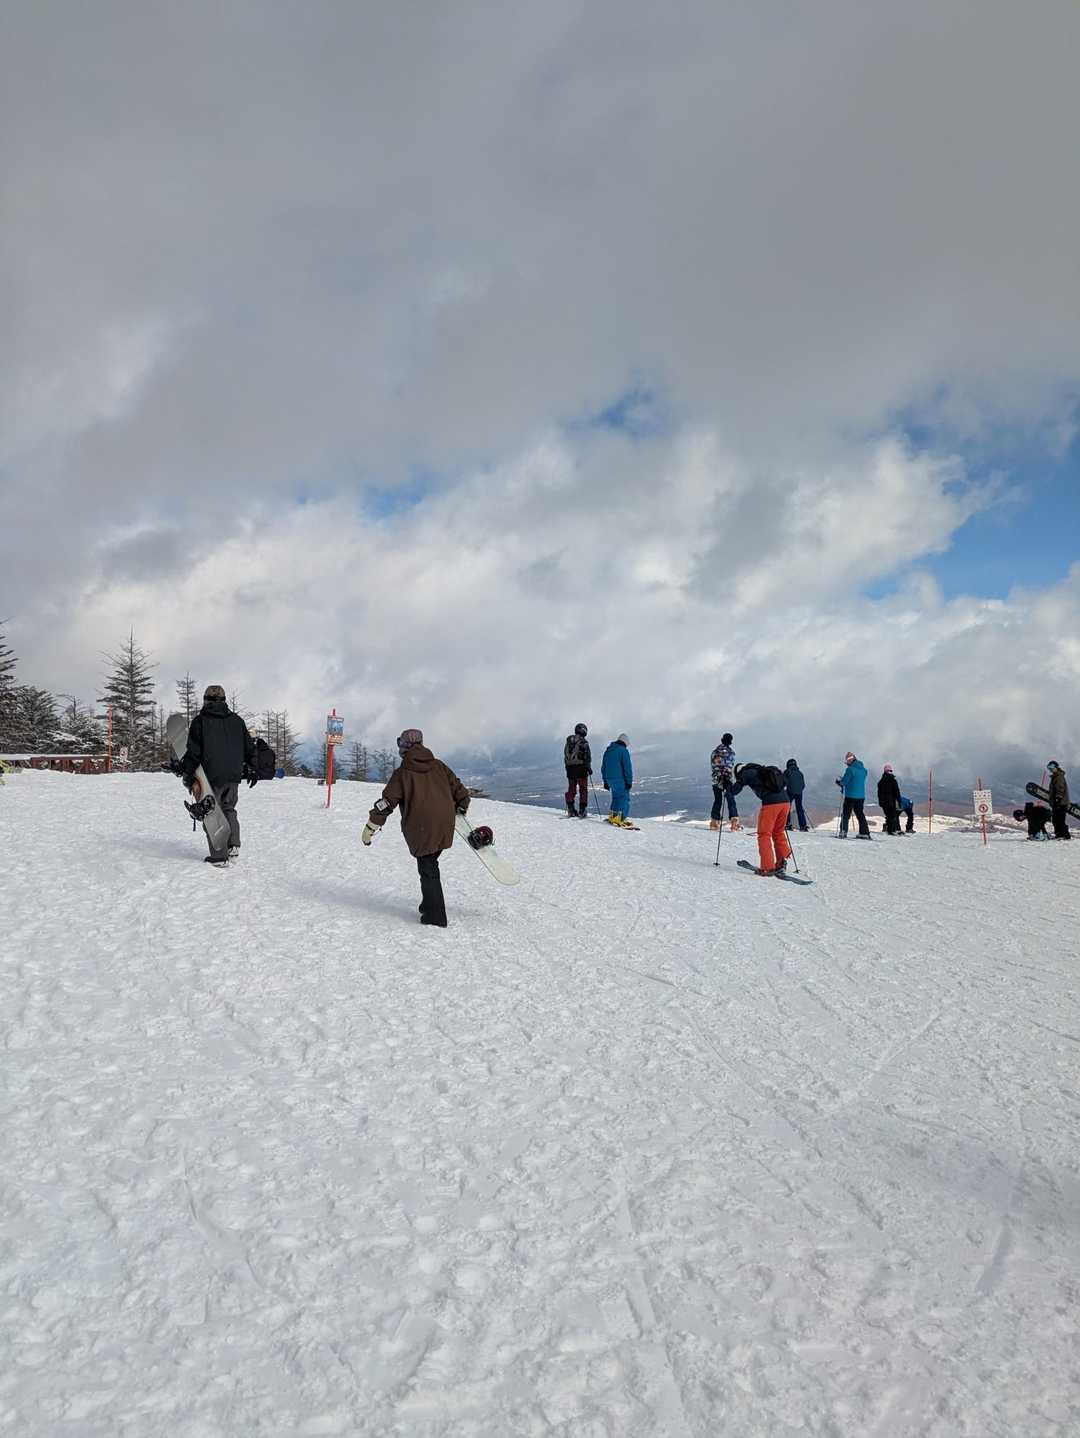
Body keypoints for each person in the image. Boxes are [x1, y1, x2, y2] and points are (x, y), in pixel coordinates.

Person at [361, 728, 470, 927]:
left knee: (428, 869)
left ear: (404, 747)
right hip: (445, 824)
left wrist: (371, 826)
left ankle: (435, 917)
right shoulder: (439, 766)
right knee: (429, 863)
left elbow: (387, 802)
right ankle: (428, 905)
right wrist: (462, 806)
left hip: (421, 828)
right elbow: (459, 789)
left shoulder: (403, 773)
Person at [180, 684, 257, 864]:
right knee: (229, 808)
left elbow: (193, 752)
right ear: (224, 700)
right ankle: (233, 845)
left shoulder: (200, 721)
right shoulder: (237, 721)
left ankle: (218, 856)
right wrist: (253, 768)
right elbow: (249, 747)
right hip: (234, 775)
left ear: (205, 700)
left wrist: (188, 774)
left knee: (211, 811)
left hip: (211, 775)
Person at [731, 762, 791, 875]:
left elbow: (734, 790)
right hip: (786, 802)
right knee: (778, 832)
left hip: (771, 804)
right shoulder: (761, 770)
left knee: (764, 834)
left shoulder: (746, 773)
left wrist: (727, 788)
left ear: (738, 772)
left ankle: (767, 867)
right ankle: (781, 862)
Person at [709, 732, 742, 831]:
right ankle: (734, 823)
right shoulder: (731, 753)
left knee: (718, 800)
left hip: (716, 779)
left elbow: (713, 765)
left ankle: (714, 823)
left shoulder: (714, 752)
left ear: (722, 739)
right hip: (727, 780)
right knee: (730, 799)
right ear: (730, 742)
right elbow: (730, 767)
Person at [836, 752, 871, 838]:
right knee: (860, 814)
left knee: (846, 814)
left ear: (849, 761)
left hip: (850, 795)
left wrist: (839, 782)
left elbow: (844, 782)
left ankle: (843, 831)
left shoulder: (850, 770)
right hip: (861, 796)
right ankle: (864, 832)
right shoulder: (864, 770)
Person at [601, 733, 633, 827]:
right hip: (620, 779)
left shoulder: (608, 751)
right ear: (625, 742)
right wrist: (629, 782)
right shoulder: (623, 751)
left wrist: (605, 781)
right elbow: (627, 768)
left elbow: (603, 767)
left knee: (615, 798)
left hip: (610, 780)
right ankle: (621, 819)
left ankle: (613, 817)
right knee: (624, 798)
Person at [563, 722, 592, 818]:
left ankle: (571, 809)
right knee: (583, 790)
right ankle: (582, 810)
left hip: (570, 770)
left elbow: (565, 756)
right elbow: (587, 757)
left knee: (571, 789)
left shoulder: (568, 742)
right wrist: (589, 768)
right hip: (581, 769)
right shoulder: (584, 742)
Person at [1047, 761, 1072, 840]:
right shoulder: (1055, 776)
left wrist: (1058, 798)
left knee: (1059, 819)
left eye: (1052, 768)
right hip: (1057, 802)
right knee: (1056, 819)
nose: (1050, 769)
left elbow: (1060, 788)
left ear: (1056, 767)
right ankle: (1059, 834)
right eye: (1049, 768)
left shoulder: (1059, 776)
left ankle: (1064, 835)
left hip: (1061, 802)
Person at [784, 758, 809, 832]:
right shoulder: (800, 773)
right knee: (799, 808)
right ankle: (803, 826)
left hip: (790, 791)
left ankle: (788, 824)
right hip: (799, 792)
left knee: (787, 807)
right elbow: (803, 785)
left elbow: (783, 782)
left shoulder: (787, 771)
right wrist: (799, 790)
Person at [877, 764, 902, 835]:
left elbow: (879, 793)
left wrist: (880, 802)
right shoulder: (893, 780)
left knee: (888, 816)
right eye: (890, 771)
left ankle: (889, 830)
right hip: (891, 802)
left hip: (883, 802)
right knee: (892, 816)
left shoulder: (880, 782)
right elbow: (897, 792)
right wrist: (899, 801)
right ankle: (891, 830)